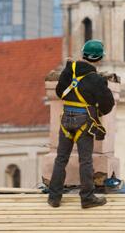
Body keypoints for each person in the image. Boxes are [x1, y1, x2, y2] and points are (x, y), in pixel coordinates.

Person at [48, 39, 115, 209]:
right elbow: (108, 103)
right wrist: (98, 112)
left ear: (83, 54)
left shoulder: (70, 70)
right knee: (85, 160)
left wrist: (67, 70)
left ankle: (54, 197)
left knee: (61, 158)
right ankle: (87, 198)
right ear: (99, 59)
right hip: (84, 122)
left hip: (66, 120)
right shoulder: (97, 80)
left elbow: (59, 92)